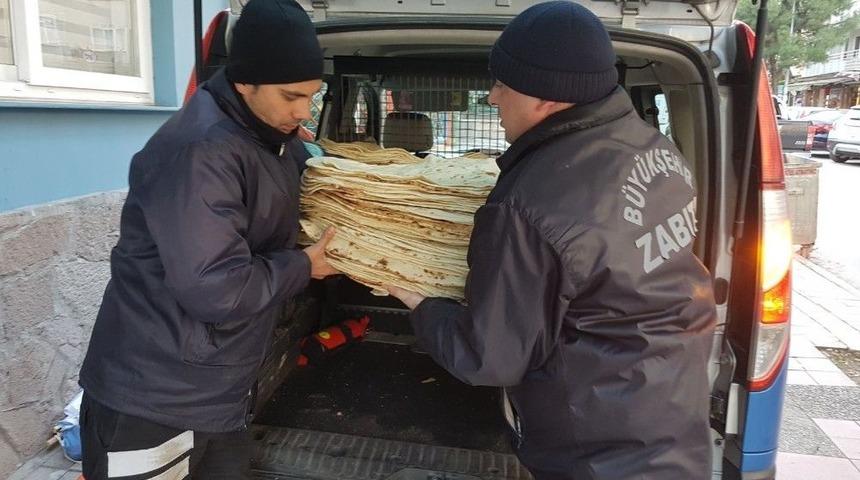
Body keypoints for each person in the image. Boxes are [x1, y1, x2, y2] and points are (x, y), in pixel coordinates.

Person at [387, 2, 717, 479]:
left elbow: (487, 358)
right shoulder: (654, 149)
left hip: (595, 451)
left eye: (503, 84)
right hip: (671, 416)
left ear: (547, 98)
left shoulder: (530, 202)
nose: (492, 98)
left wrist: (417, 300)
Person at [77, 1, 338, 478]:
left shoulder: (271, 138)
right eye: (290, 96)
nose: (303, 112)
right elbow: (218, 287)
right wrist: (305, 266)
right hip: (155, 401)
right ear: (244, 82)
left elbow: (308, 174)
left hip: (215, 392)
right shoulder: (200, 152)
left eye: (313, 96)